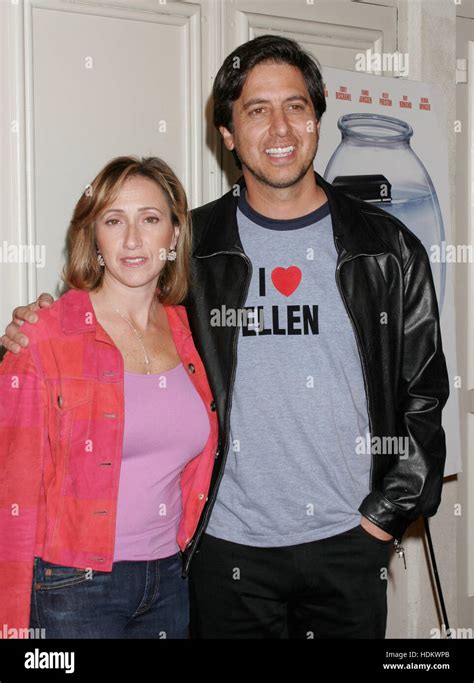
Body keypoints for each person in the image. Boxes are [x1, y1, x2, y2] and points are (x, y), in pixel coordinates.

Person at [2, 35, 449, 639]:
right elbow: (113, 315)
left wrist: (384, 518)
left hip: (350, 544)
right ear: (229, 134)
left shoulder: (389, 249)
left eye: (296, 105)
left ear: (317, 120)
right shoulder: (190, 247)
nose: (280, 126)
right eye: (256, 110)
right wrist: (37, 321)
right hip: (223, 553)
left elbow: (423, 396)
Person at [0, 156, 218, 639]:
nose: (134, 239)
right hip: (72, 587)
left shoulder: (190, 332)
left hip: (170, 577)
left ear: (175, 235)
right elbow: (10, 492)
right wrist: (9, 626)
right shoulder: (44, 336)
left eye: (151, 219)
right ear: (93, 236)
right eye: (114, 220)